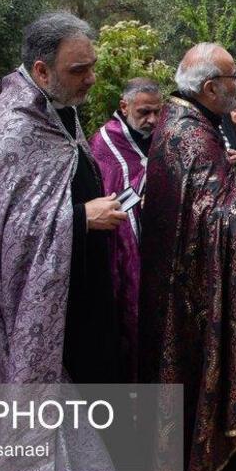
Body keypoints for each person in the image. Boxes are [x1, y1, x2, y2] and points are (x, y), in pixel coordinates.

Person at [0, 12, 124, 471]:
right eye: (79, 69)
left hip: (80, 278)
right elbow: (10, 229)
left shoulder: (58, 112)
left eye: (91, 66)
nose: (90, 79)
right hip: (46, 294)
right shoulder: (14, 126)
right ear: (42, 69)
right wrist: (83, 217)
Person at [138, 43, 236, 471]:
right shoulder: (193, 135)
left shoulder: (183, 121)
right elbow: (220, 219)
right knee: (198, 366)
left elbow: (197, 200)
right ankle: (210, 470)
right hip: (193, 289)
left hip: (178, 277)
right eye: (233, 78)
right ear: (209, 87)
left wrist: (228, 170)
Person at [88, 77, 164, 385]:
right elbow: (106, 192)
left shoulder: (162, 137)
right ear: (124, 106)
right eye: (144, 112)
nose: (152, 120)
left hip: (160, 244)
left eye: (157, 112)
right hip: (121, 245)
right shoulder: (103, 143)